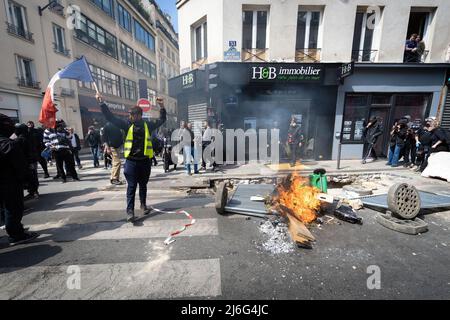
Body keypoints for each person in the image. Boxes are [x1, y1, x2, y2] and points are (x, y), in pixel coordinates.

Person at [97, 93, 166, 222]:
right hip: (131, 163)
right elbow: (110, 117)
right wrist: (102, 103)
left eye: (132, 115)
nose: (130, 116)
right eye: (130, 115)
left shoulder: (147, 125)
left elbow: (161, 120)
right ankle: (130, 211)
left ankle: (143, 205)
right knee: (131, 187)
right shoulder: (126, 125)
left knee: (143, 185)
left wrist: (162, 106)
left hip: (145, 162)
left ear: (139, 115)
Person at [0, 113, 39, 245]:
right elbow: (21, 167)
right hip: (9, 183)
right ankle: (16, 235)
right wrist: (30, 181)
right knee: (13, 208)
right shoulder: (8, 144)